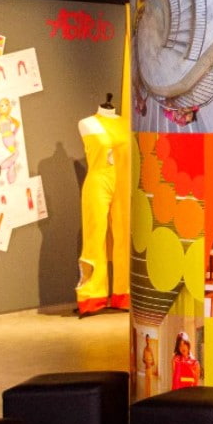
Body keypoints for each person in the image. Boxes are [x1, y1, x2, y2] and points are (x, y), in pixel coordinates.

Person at [76, 95, 130, 317]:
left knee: (124, 238)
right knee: (94, 238)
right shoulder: (87, 123)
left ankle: (124, 293)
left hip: (124, 182)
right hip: (98, 181)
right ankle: (92, 295)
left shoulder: (127, 124)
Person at [141, 333, 157, 398]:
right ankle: (146, 396)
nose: (147, 340)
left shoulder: (151, 349)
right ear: (145, 340)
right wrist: (146, 362)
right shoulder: (144, 349)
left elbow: (153, 361)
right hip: (146, 367)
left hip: (150, 367)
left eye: (148, 339)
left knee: (150, 381)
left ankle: (149, 396)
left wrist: (150, 363)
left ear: (149, 340)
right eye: (146, 339)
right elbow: (143, 358)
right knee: (146, 382)